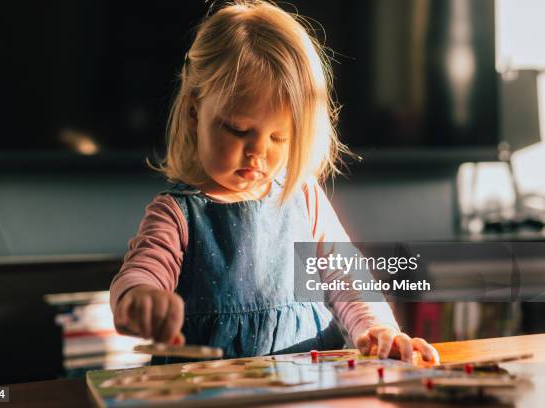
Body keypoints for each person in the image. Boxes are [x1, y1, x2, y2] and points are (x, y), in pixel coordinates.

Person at [110, 0, 439, 364]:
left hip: (306, 388)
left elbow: (348, 278)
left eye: (279, 137)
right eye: (238, 130)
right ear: (193, 113)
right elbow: (141, 272)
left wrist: (378, 329)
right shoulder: (177, 214)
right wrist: (139, 297)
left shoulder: (304, 197)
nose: (257, 152)